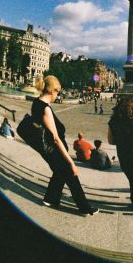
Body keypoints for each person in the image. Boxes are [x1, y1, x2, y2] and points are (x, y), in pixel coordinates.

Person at [32, 75, 97, 216]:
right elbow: (55, 138)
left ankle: (51, 199)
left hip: (48, 150)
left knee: (59, 174)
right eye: (57, 92)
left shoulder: (36, 103)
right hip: (55, 151)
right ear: (52, 91)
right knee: (72, 178)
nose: (57, 95)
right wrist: (70, 161)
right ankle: (85, 207)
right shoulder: (45, 109)